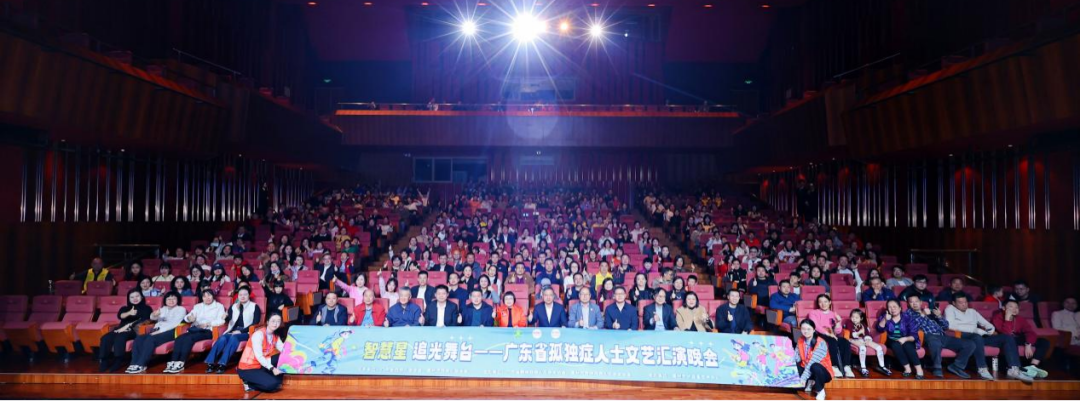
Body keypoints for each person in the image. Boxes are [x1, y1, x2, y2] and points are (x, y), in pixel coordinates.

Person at [944, 293, 1031, 382]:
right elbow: (950, 325)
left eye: (965, 302)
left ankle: (1013, 369)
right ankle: (982, 368)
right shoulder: (950, 309)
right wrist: (975, 330)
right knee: (977, 337)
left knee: (1007, 337)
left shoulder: (972, 311)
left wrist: (989, 330)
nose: (964, 304)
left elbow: (986, 324)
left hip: (978, 336)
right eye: (960, 302)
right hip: (961, 336)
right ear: (954, 303)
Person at [904, 294, 975, 379]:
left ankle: (957, 366)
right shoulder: (908, 314)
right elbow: (914, 327)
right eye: (911, 302)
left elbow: (946, 326)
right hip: (927, 336)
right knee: (935, 342)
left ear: (921, 302)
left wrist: (939, 316)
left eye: (916, 301)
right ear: (908, 304)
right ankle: (937, 368)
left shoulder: (929, 311)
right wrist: (923, 314)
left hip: (942, 336)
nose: (914, 303)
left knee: (970, 344)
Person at [164, 289, 227, 373]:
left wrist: (208, 324)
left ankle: (181, 363)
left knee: (189, 339)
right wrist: (189, 318)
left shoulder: (219, 306)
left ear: (213, 296)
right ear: (202, 298)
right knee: (179, 338)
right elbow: (188, 317)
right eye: (204, 296)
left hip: (208, 330)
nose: (207, 298)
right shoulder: (198, 306)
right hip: (196, 329)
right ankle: (173, 362)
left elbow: (221, 321)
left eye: (209, 295)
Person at [126, 291, 187, 374]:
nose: (171, 301)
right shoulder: (163, 309)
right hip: (157, 330)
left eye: (174, 299)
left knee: (151, 339)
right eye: (169, 299)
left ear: (178, 300)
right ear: (165, 300)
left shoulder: (181, 309)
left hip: (172, 331)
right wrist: (154, 315)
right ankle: (133, 364)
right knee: (139, 338)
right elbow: (152, 318)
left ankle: (141, 364)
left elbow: (174, 324)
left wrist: (159, 331)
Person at [205, 287, 262, 374]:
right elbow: (229, 320)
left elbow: (256, 323)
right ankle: (210, 363)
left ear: (249, 295)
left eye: (245, 294)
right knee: (223, 338)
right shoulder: (233, 306)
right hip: (232, 330)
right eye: (240, 295)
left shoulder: (254, 306)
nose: (242, 296)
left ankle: (222, 364)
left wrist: (241, 331)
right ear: (238, 296)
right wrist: (225, 317)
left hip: (247, 332)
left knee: (234, 338)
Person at [993, 299, 1050, 379]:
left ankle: (1032, 366)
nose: (1014, 309)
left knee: (1044, 342)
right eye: (1011, 307)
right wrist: (1007, 318)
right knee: (1011, 340)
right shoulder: (997, 317)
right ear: (1003, 308)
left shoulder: (1020, 319)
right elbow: (1006, 334)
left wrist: (1028, 344)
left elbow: (1030, 332)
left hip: (1017, 338)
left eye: (1016, 307)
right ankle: (1017, 368)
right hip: (1004, 340)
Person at [98, 289, 152, 372]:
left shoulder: (147, 308)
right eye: (132, 297)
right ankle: (104, 360)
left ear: (141, 297)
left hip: (134, 330)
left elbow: (144, 320)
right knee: (105, 338)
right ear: (128, 299)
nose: (135, 298)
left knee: (120, 337)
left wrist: (128, 326)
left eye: (137, 296)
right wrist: (129, 313)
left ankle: (118, 360)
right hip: (120, 329)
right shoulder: (125, 308)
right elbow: (120, 316)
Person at [807, 294, 854, 378]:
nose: (823, 304)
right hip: (818, 335)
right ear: (818, 303)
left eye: (825, 302)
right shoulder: (813, 313)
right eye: (820, 302)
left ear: (830, 302)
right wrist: (828, 334)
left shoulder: (833, 314)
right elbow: (816, 326)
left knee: (845, 342)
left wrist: (838, 323)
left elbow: (837, 331)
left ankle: (846, 366)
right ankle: (834, 366)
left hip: (832, 335)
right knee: (832, 341)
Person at [236, 313, 286, 393]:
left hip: (260, 365)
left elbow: (284, 350)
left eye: (278, 321)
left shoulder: (275, 336)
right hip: (248, 368)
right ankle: (249, 384)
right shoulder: (258, 335)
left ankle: (267, 378)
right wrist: (272, 368)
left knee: (282, 356)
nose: (275, 324)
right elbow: (259, 357)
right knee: (273, 385)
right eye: (273, 321)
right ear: (267, 322)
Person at [876, 299, 924, 379]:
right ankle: (907, 369)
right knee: (895, 345)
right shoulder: (885, 316)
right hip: (892, 340)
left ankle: (919, 369)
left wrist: (905, 339)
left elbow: (914, 334)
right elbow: (879, 329)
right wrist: (885, 319)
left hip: (908, 339)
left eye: (894, 307)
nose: (892, 309)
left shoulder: (908, 318)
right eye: (890, 307)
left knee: (907, 345)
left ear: (900, 308)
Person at [846, 309, 890, 377]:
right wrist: (859, 333)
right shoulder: (849, 323)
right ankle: (863, 367)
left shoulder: (863, 324)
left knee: (879, 347)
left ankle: (882, 366)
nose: (854, 319)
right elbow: (851, 334)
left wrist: (868, 339)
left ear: (861, 318)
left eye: (856, 317)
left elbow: (867, 333)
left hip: (863, 339)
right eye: (852, 317)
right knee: (862, 347)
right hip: (853, 339)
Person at [795, 319, 832, 401]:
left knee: (814, 366)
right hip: (807, 368)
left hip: (823, 372)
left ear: (814, 330)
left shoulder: (821, 343)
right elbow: (796, 358)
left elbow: (812, 362)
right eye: (803, 329)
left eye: (809, 329)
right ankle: (810, 381)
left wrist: (803, 378)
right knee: (794, 365)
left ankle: (820, 390)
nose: (806, 331)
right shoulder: (800, 340)